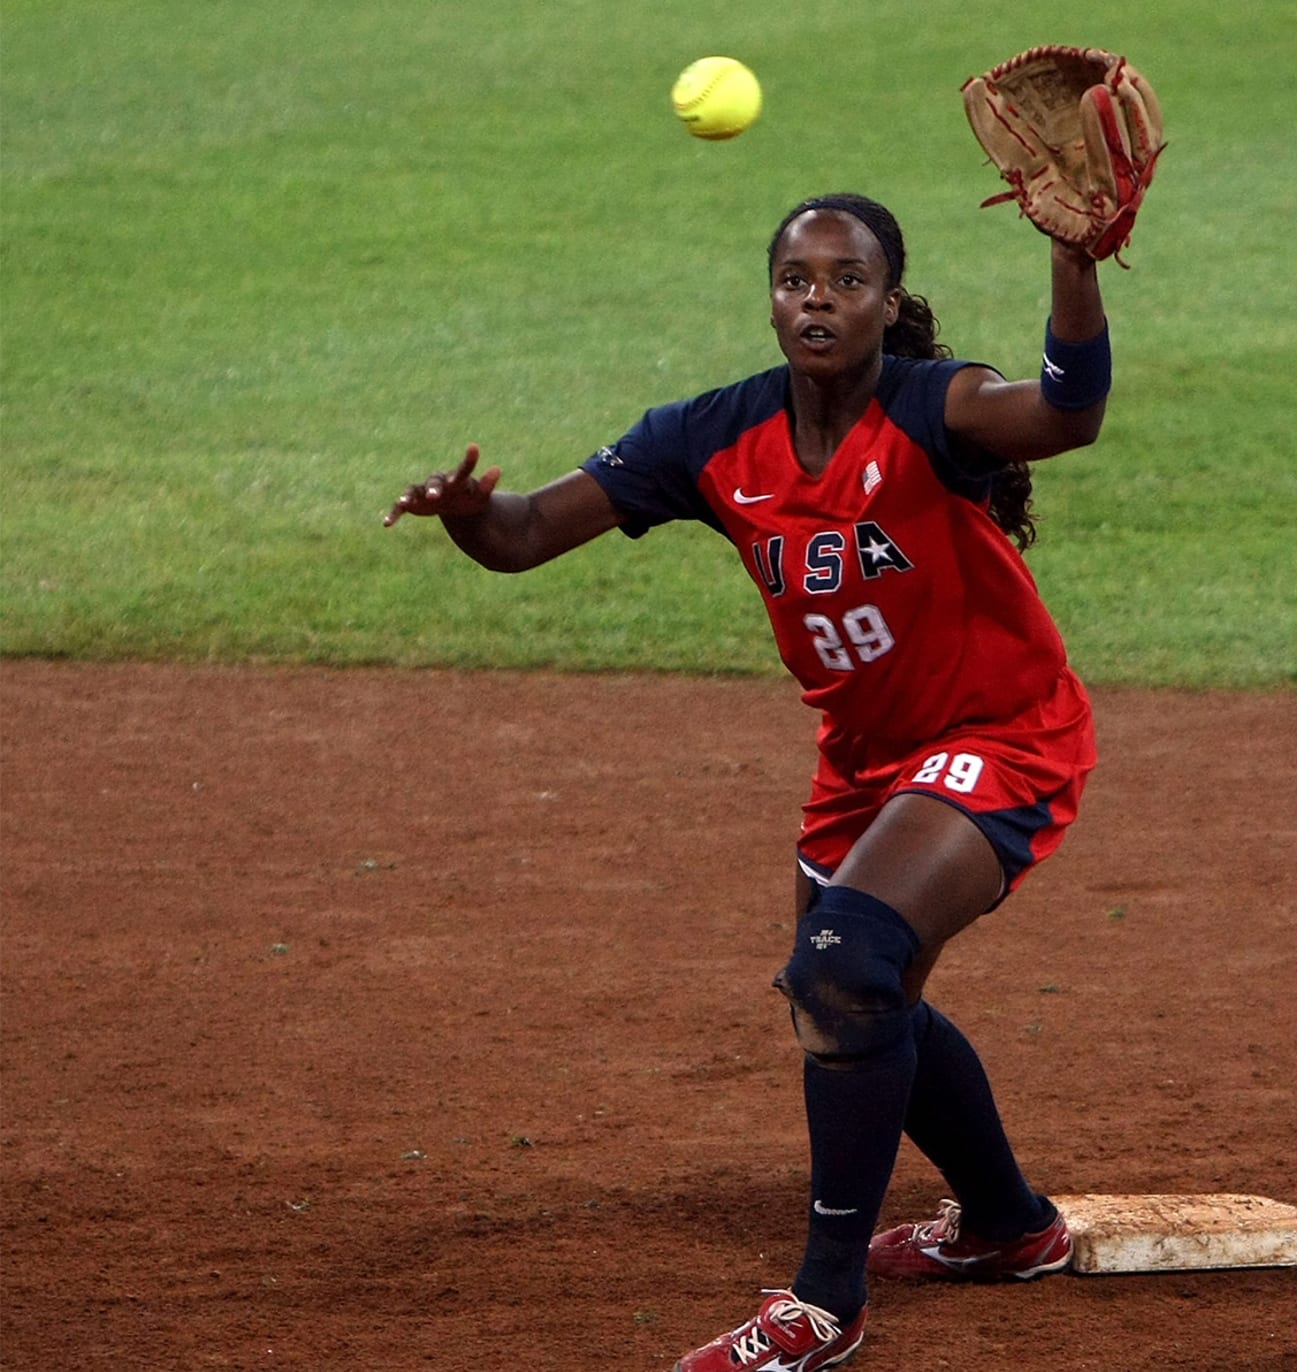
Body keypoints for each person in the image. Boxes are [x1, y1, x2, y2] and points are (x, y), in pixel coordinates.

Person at [385, 192, 1116, 1371]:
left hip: (1002, 729)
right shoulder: (712, 435)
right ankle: (1008, 1225)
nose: (815, 298)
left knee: (843, 962)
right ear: (769, 295)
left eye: (844, 278)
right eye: (794, 278)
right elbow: (525, 534)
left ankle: (824, 1305)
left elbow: (1068, 413)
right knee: (860, 1001)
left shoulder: (937, 406)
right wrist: (469, 515)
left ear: (888, 300)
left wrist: (1071, 260)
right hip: (864, 765)